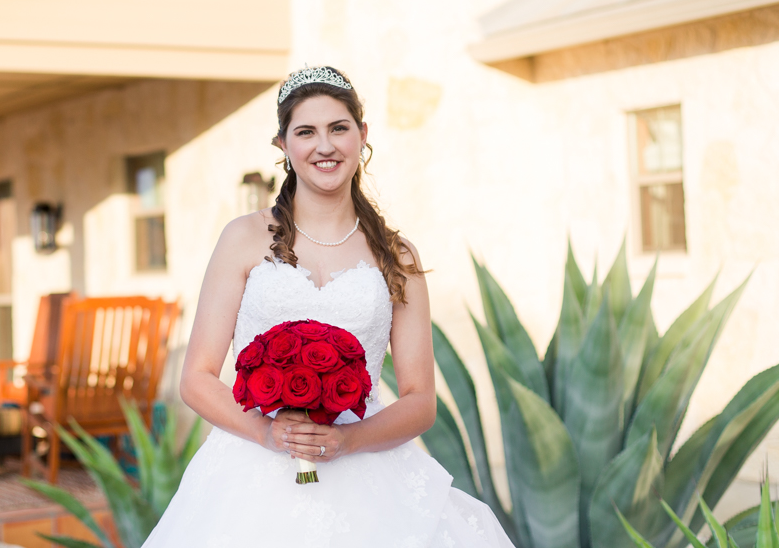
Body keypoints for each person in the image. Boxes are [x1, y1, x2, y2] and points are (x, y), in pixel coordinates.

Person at [142, 66, 515, 548]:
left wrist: (347, 441)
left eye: (339, 128)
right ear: (282, 145)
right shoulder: (243, 238)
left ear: (362, 135)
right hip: (251, 475)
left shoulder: (396, 256)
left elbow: (421, 401)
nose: (325, 146)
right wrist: (268, 434)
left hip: (369, 473)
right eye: (306, 132)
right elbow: (196, 377)